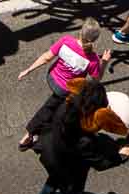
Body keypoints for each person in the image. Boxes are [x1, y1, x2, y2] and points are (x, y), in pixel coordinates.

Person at [16, 78, 129, 194]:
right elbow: (99, 163)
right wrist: (120, 156)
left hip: (49, 150)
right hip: (68, 166)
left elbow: (48, 111)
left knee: (56, 177)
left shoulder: (67, 105)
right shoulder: (84, 139)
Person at [15, 19, 104, 151]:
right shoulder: (93, 59)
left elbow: (46, 58)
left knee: (54, 105)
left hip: (52, 78)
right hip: (65, 90)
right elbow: (96, 80)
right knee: (50, 109)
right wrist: (105, 62)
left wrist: (28, 70)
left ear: (80, 31)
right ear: (95, 39)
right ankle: (29, 134)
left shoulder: (66, 41)